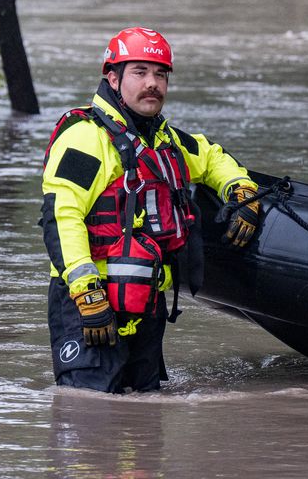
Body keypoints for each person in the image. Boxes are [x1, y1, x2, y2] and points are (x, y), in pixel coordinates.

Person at [40, 27, 263, 393]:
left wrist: (242, 192)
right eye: (140, 72)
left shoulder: (165, 140)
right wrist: (86, 293)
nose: (153, 84)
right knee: (87, 417)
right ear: (113, 78)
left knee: (143, 426)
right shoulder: (85, 138)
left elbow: (211, 157)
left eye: (160, 74)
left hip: (145, 302)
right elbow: (61, 218)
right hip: (89, 303)